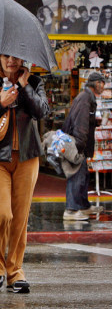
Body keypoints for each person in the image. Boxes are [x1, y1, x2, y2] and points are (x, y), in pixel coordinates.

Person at [0, 53, 49, 294]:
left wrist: (25, 86)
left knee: (20, 218)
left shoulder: (34, 83)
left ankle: (15, 273)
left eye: (16, 57)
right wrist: (1, 103)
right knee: (3, 214)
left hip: (27, 157)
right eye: (6, 56)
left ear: (24, 60)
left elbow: (42, 112)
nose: (11, 61)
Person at [62, 72, 106, 220]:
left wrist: (95, 122)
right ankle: (71, 210)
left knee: (83, 176)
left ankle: (83, 205)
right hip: (78, 145)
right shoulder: (85, 98)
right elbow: (80, 124)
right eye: (102, 83)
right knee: (76, 176)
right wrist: (79, 147)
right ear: (97, 83)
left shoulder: (88, 97)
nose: (103, 86)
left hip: (81, 144)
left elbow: (84, 120)